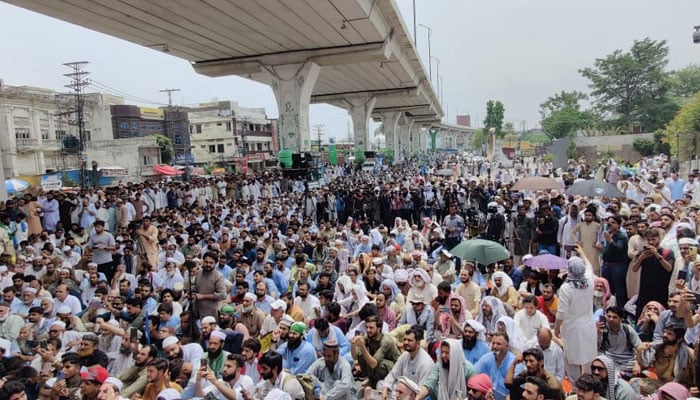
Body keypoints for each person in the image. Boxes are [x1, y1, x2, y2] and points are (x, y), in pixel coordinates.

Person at [554, 254, 596, 382]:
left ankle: (577, 389)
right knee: (588, 359)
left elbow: (561, 314)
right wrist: (582, 252)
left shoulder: (566, 288)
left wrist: (556, 330)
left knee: (571, 362)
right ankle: (588, 386)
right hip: (588, 326)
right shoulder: (590, 280)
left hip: (572, 328)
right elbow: (589, 266)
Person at [382, 325, 434, 399]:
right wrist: (385, 389)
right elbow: (393, 373)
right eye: (405, 339)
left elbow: (422, 391)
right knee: (381, 384)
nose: (406, 342)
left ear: (418, 343)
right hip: (402, 391)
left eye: (409, 340)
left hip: (415, 396)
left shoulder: (426, 363)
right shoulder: (405, 355)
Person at [351, 315, 400, 389]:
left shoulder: (386, 340)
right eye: (367, 327)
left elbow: (374, 364)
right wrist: (353, 344)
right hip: (378, 365)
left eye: (371, 328)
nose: (368, 330)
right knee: (362, 355)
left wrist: (362, 347)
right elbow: (355, 357)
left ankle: (377, 382)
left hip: (395, 368)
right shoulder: (369, 336)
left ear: (379, 329)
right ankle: (371, 379)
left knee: (379, 364)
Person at [474, 332, 519, 400]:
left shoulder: (515, 364)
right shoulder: (487, 357)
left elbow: (518, 392)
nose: (495, 346)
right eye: (493, 343)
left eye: (498, 344)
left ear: (507, 346)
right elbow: (474, 374)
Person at [596, 306, 641, 374]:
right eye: (609, 316)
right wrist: (598, 334)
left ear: (621, 319)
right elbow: (597, 348)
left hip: (627, 361)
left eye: (614, 317)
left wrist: (637, 363)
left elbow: (639, 346)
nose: (611, 319)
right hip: (609, 358)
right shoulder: (603, 329)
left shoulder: (627, 329)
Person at [187, 251, 227, 319]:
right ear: (203, 261)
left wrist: (203, 296)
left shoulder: (218, 276)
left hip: (210, 312)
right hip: (196, 310)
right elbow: (196, 289)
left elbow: (222, 295)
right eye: (206, 262)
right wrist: (191, 294)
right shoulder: (198, 273)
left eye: (211, 263)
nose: (208, 264)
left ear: (215, 263)